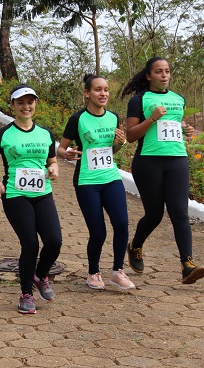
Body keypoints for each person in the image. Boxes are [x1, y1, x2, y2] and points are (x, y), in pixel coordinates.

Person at [0, 84, 62, 314]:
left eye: (30, 102)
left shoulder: (46, 133)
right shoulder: (3, 134)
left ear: (35, 104)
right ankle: (26, 293)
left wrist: (54, 169)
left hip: (42, 192)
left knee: (55, 241)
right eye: (20, 102)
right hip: (15, 194)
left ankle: (40, 274)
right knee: (30, 243)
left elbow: (52, 161)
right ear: (13, 106)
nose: (26, 106)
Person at [123, 57, 204, 284]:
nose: (164, 75)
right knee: (155, 214)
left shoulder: (178, 99)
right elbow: (130, 136)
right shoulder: (139, 100)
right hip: (149, 161)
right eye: (159, 72)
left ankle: (187, 264)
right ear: (149, 76)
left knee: (180, 212)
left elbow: (173, 125)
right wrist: (152, 118)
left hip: (177, 160)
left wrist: (184, 128)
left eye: (167, 71)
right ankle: (135, 245)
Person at [57, 75, 135, 290]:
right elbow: (61, 148)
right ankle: (93, 273)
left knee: (121, 223)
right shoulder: (78, 119)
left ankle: (118, 271)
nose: (103, 94)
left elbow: (111, 151)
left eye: (106, 90)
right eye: (98, 90)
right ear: (87, 93)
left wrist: (118, 144)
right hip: (87, 182)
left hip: (110, 178)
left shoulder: (113, 117)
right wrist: (67, 154)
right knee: (98, 232)